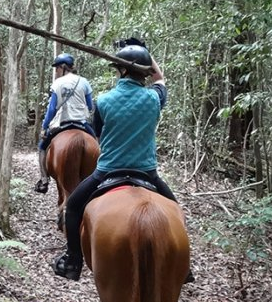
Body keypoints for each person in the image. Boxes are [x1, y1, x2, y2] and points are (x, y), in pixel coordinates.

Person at [53, 44, 194, 283]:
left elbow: (97, 135)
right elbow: (160, 79)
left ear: (122, 70)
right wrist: (149, 54)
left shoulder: (104, 100)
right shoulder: (154, 98)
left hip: (107, 171)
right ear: (145, 72)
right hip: (147, 173)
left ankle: (73, 260)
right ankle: (185, 266)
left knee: (74, 207)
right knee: (176, 211)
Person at [34, 53, 95, 193]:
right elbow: (90, 106)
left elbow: (51, 110)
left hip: (63, 123)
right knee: (98, 144)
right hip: (82, 123)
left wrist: (44, 127)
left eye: (57, 69)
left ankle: (44, 180)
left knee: (42, 147)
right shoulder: (84, 82)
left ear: (62, 67)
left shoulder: (57, 83)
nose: (56, 72)